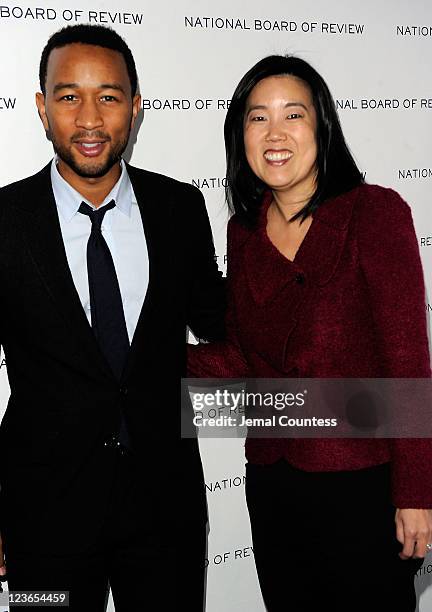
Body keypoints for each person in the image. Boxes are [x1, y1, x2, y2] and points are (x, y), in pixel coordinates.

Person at [188, 55, 432, 611]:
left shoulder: (374, 212)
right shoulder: (243, 231)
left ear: (322, 126)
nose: (275, 133)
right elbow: (243, 362)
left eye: (292, 114)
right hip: (274, 482)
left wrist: (416, 493)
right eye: (257, 118)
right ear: (239, 133)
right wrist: (147, 354)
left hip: (364, 486)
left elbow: (408, 361)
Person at [0, 24, 225, 611]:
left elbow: (224, 324)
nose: (90, 118)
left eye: (109, 95)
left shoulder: (179, 208)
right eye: (69, 96)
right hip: (40, 517)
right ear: (41, 108)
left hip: (163, 514)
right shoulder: (4, 220)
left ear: (136, 106)